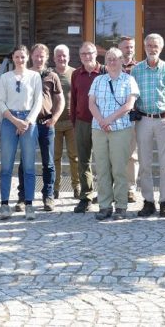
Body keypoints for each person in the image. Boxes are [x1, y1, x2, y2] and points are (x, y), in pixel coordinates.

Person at [89, 47, 140, 220]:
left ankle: (121, 206)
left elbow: (129, 105)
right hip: (99, 129)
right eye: (109, 58)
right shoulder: (98, 80)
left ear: (121, 61)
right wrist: (102, 121)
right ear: (105, 61)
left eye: (115, 58)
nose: (112, 62)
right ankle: (104, 206)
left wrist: (108, 120)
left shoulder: (129, 80)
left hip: (121, 129)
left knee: (119, 168)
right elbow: (91, 104)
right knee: (102, 169)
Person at [130, 33, 165, 217]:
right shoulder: (136, 70)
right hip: (144, 120)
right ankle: (148, 201)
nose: (152, 48)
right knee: (145, 163)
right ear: (144, 47)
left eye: (155, 45)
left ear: (161, 47)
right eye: (149, 45)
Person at [15, 43, 64, 212]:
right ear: (31, 56)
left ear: (46, 57)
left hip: (46, 123)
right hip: (28, 124)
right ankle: (23, 197)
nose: (39, 58)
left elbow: (60, 100)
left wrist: (55, 118)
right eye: (36, 55)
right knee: (25, 161)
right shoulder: (23, 75)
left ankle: (48, 196)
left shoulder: (52, 76)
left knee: (48, 162)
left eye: (42, 56)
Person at [0, 45, 43, 220]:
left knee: (29, 166)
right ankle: (4, 204)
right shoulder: (5, 78)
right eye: (17, 56)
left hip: (28, 121)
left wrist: (27, 122)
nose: (20, 60)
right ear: (13, 58)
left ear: (27, 58)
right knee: (6, 165)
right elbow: (0, 102)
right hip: (9, 121)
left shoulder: (34, 76)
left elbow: (38, 101)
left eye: (23, 57)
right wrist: (15, 121)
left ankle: (29, 204)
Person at [71, 42, 104, 213]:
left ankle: (105, 194)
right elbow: (74, 100)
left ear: (95, 53)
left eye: (89, 53)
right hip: (82, 122)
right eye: (83, 54)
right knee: (83, 161)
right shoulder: (76, 74)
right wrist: (74, 123)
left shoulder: (105, 71)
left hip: (102, 122)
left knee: (104, 160)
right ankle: (86, 196)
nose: (86, 56)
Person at [51, 44, 78, 200]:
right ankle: (55, 188)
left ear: (69, 57)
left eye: (64, 55)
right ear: (54, 58)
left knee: (75, 156)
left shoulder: (74, 73)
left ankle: (77, 186)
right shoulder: (49, 74)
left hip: (72, 122)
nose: (61, 58)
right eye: (59, 56)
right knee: (55, 157)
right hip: (53, 122)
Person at [118, 35, 139, 204]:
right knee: (113, 154)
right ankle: (113, 187)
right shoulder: (111, 67)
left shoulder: (139, 68)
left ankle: (130, 188)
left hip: (132, 116)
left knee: (132, 155)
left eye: (131, 47)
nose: (129, 49)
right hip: (112, 117)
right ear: (119, 48)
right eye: (126, 47)